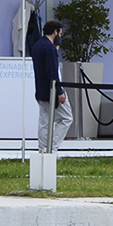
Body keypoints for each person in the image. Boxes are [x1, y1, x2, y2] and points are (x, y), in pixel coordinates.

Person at [32, 20, 73, 153]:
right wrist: (59, 91)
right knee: (67, 118)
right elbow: (52, 71)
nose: (60, 36)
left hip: (40, 89)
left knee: (44, 120)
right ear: (55, 32)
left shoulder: (38, 45)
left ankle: (42, 149)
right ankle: (52, 147)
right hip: (52, 89)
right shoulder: (49, 48)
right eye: (60, 33)